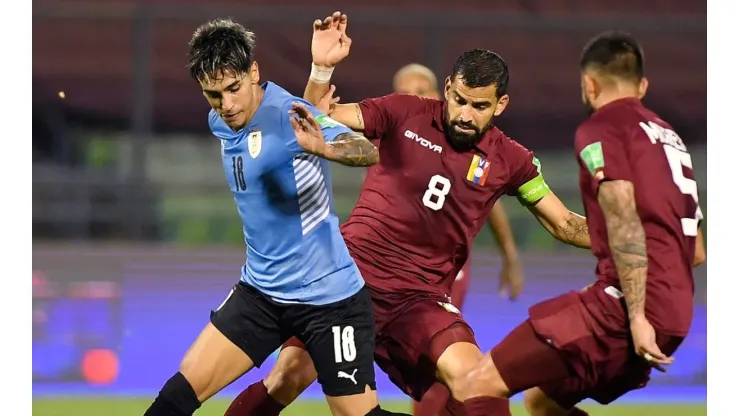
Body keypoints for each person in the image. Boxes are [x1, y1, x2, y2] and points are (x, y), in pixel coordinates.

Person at [224, 12, 590, 416]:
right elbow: (312, 119)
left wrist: (640, 243)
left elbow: (565, 223)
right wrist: (322, 69)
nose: (465, 114)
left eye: (479, 106)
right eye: (460, 101)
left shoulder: (514, 160)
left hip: (419, 299)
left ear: (500, 105)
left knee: (477, 379)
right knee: (288, 376)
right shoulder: (405, 111)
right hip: (346, 283)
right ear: (447, 88)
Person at [142, 17, 410, 416]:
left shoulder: (288, 114)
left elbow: (365, 150)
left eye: (234, 89)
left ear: (254, 72)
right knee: (177, 395)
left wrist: (328, 150)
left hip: (330, 299)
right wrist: (319, 72)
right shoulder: (220, 120)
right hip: (262, 294)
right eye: (213, 94)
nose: (227, 104)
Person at [458, 31, 707, 416]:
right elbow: (695, 250)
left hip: (626, 309)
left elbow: (622, 218)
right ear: (641, 86)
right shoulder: (671, 139)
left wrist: (637, 315)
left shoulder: (604, 127)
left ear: (589, 84)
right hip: (677, 314)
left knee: (478, 385)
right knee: (543, 403)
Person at [392, 62, 524, 416]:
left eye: (421, 88)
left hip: (442, 269)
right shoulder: (395, 132)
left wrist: (509, 256)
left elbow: (490, 199)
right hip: (391, 268)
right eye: (406, 90)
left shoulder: (464, 142)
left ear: (440, 93)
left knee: (437, 353)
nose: (415, 96)